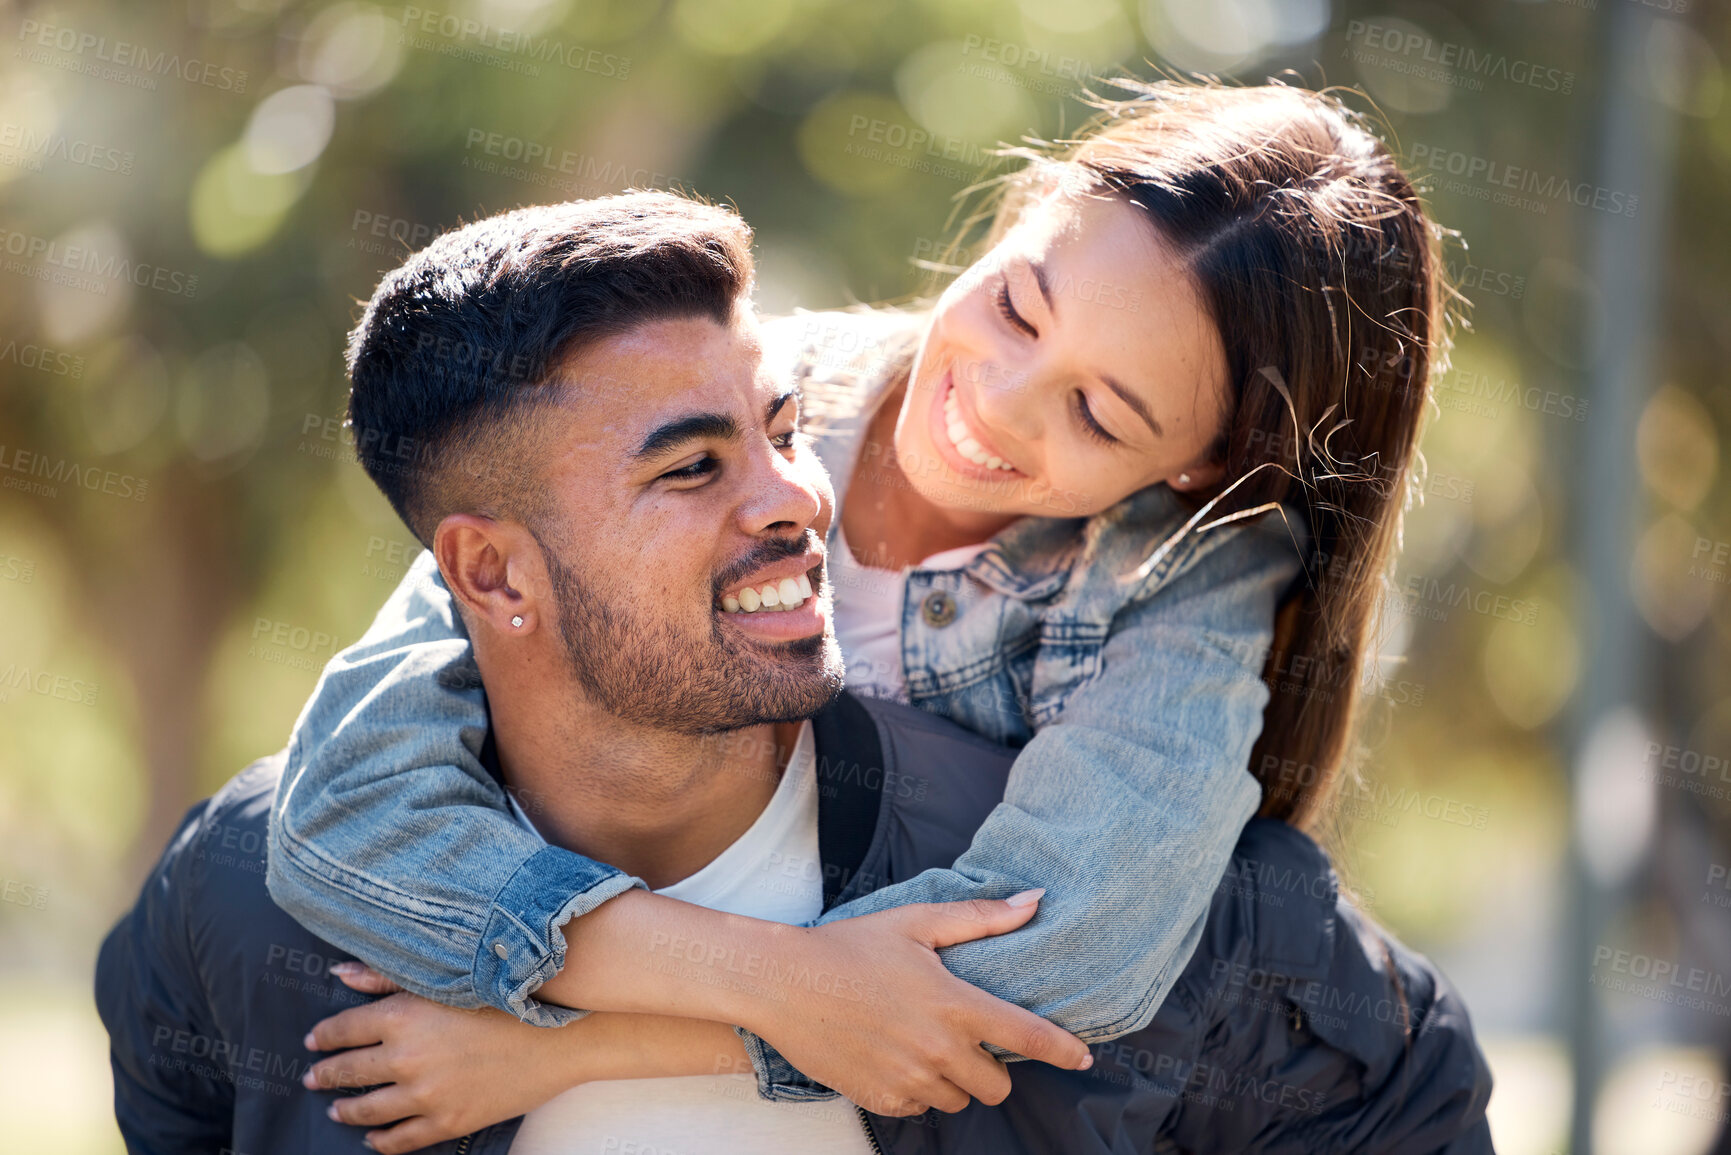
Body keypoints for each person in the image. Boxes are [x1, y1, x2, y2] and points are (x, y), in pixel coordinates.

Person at [97, 189, 1492, 1155]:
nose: (793, 491)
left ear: (1192, 465)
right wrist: (779, 985)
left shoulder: (1130, 805)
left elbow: (1165, 999)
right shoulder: (253, 892)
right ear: (494, 575)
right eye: (697, 465)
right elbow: (327, 819)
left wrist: (594, 1040)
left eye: (775, 433)